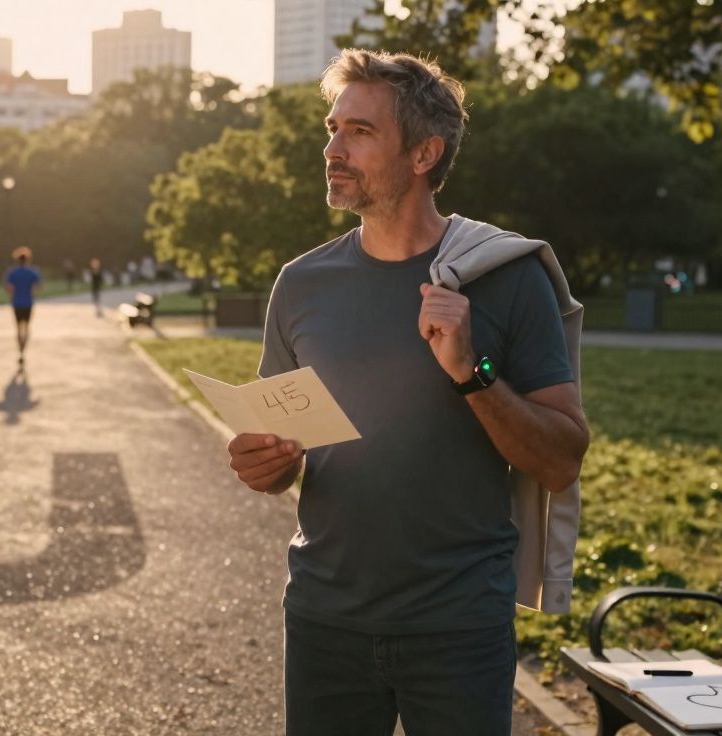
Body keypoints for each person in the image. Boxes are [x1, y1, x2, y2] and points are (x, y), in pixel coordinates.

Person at [225, 50, 590, 736]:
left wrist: (472, 372)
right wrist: (266, 466)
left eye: (359, 132)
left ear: (424, 153)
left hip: (458, 626)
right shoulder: (300, 285)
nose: (333, 148)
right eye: (333, 129)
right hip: (325, 618)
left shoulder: (506, 278)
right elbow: (285, 451)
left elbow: (562, 459)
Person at [4, 246, 41, 365]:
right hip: (28, 303)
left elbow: (9, 289)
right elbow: (38, 287)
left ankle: (20, 350)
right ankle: (23, 350)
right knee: (26, 326)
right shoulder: (32, 272)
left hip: (16, 303)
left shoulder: (13, 273)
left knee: (19, 328)